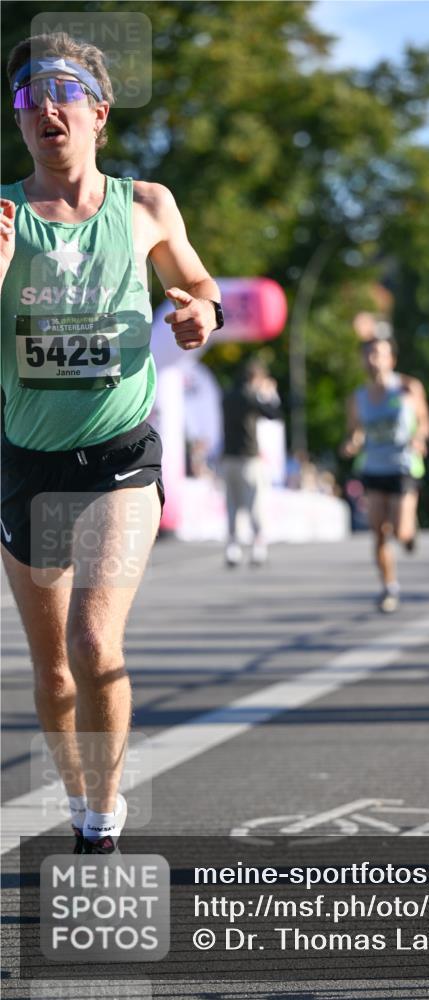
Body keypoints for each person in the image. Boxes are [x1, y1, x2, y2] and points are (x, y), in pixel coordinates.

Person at [0, 33, 223, 853]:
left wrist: (204, 310)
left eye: (62, 90)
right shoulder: (1, 216)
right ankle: (76, 789)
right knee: (54, 670)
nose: (44, 106)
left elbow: (198, 282)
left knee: (94, 641)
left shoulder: (146, 206)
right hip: (26, 462)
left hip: (120, 456)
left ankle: (104, 813)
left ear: (98, 112)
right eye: (27, 94)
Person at [342, 329, 429, 613]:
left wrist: (419, 439)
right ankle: (389, 586)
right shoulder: (357, 397)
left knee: (400, 531)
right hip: (373, 466)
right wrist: (352, 444)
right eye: (368, 354)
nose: (373, 359)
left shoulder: (408, 388)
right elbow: (355, 431)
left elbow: (425, 422)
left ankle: (410, 533)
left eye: (379, 354)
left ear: (391, 359)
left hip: (403, 465)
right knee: (378, 532)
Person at [221, 359, 281, 566]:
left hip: (228, 458)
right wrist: (269, 394)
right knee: (255, 505)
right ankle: (258, 547)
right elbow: (272, 414)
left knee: (232, 506)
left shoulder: (227, 396)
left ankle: (233, 548)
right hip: (249, 458)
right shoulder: (250, 396)